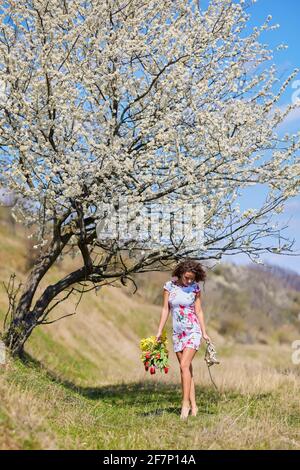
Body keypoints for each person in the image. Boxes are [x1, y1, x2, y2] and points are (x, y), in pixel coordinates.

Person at [156, 259, 211, 420]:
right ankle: (194, 406)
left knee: (184, 365)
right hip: (177, 333)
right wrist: (159, 331)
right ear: (180, 273)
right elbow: (165, 309)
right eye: (186, 277)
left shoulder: (195, 289)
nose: (189, 281)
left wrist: (204, 332)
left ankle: (185, 404)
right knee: (187, 370)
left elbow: (199, 311)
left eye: (191, 278)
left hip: (193, 331)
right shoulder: (169, 287)